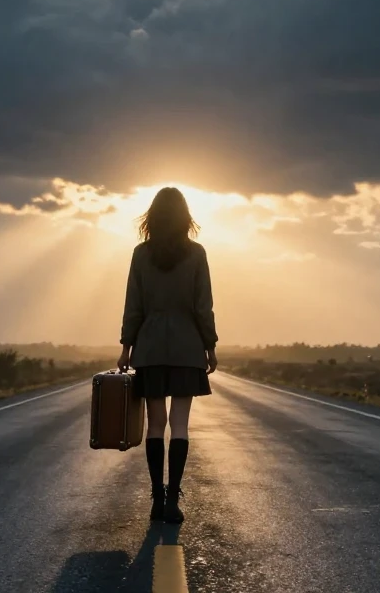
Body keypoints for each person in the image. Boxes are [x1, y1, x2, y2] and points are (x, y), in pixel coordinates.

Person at [118, 186, 219, 525]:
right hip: (187, 347)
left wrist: (126, 347)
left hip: (149, 348)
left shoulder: (140, 254)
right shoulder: (197, 254)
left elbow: (134, 306)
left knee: (155, 425)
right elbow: (203, 306)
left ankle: (156, 500)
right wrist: (210, 345)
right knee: (179, 425)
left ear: (153, 216)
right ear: (185, 216)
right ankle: (174, 500)